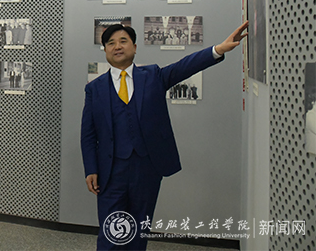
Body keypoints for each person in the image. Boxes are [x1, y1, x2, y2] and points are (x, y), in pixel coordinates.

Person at [80, 21, 249, 250]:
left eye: (123, 41)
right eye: (111, 43)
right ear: (105, 50)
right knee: (111, 231)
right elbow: (88, 133)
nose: (117, 46)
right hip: (111, 170)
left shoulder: (153, 76)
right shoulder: (95, 88)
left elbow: (184, 66)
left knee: (139, 229)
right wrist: (91, 168)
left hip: (146, 168)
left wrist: (218, 49)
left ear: (134, 47)